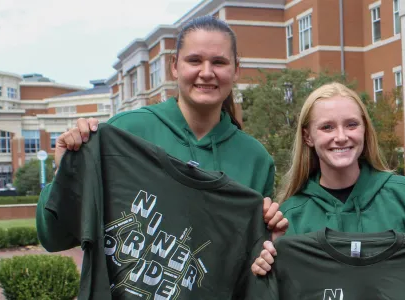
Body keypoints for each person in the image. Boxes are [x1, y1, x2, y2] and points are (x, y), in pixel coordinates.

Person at [36, 16, 287, 252]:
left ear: (236, 70)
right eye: (195, 60)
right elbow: (55, 237)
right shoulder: (126, 131)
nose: (207, 72)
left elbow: (252, 257)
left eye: (219, 62)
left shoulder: (255, 159)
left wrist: (271, 238)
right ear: (175, 67)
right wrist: (65, 171)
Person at [249, 82, 405, 276]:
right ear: (307, 137)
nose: (340, 136)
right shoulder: (290, 217)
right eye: (327, 127)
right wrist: (266, 268)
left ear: (365, 130)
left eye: (351, 124)